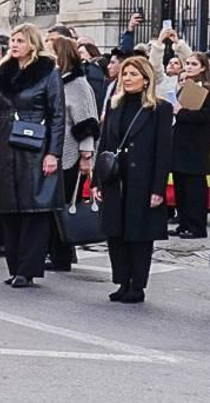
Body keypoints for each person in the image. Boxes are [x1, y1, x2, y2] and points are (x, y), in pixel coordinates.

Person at [0, 24, 67, 288]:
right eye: (12, 40)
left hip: (35, 145)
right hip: (5, 144)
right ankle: (14, 266)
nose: (14, 44)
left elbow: (58, 116)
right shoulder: (3, 72)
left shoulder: (48, 72)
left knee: (34, 208)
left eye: (20, 40)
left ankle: (27, 269)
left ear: (32, 43)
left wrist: (53, 153)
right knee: (8, 207)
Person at [96, 56, 173, 303]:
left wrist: (158, 188)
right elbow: (104, 145)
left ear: (146, 79)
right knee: (115, 231)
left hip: (143, 178)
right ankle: (122, 281)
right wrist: (98, 181)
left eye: (133, 74)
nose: (127, 78)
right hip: (115, 178)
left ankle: (137, 285)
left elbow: (163, 151)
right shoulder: (114, 105)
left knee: (139, 234)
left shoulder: (160, 108)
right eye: (125, 74)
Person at [47, 35, 100, 269]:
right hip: (56, 151)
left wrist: (86, 156)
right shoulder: (56, 81)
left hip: (71, 154)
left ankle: (62, 255)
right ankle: (59, 251)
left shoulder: (77, 84)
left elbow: (87, 122)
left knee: (66, 204)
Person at [170, 52, 210, 239]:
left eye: (194, 64)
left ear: (203, 67)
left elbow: (205, 116)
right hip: (180, 141)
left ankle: (196, 226)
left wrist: (181, 112)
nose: (189, 66)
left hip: (196, 144)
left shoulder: (206, 89)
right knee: (181, 185)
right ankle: (184, 223)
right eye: (187, 63)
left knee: (194, 187)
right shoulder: (184, 86)